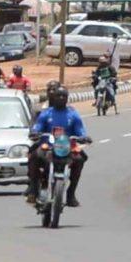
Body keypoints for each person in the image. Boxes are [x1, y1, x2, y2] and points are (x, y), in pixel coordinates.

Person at [25, 81, 91, 209]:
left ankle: (71, 193)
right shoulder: (46, 113)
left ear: (67, 99)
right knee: (34, 156)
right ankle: (33, 188)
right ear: (53, 98)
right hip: (48, 147)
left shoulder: (73, 114)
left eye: (63, 96)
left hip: (67, 147)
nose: (61, 98)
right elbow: (38, 126)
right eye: (58, 96)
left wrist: (83, 137)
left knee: (80, 159)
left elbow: (80, 130)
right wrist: (35, 132)